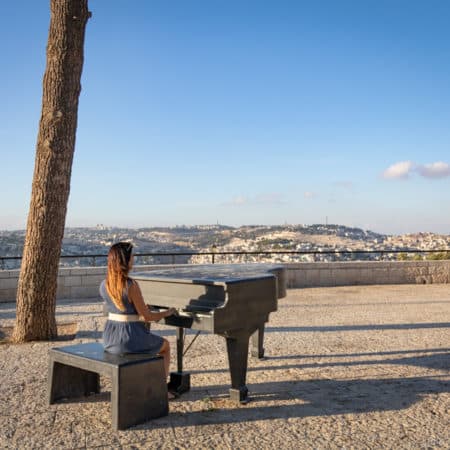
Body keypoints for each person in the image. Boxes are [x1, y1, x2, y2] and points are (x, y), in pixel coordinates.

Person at [100, 242, 178, 398]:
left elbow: (122, 307)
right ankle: (160, 390)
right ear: (126, 260)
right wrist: (167, 312)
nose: (134, 259)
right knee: (166, 347)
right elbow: (147, 317)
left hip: (110, 338)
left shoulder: (104, 284)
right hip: (129, 338)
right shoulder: (131, 285)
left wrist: (139, 307)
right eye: (132, 257)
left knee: (151, 343)